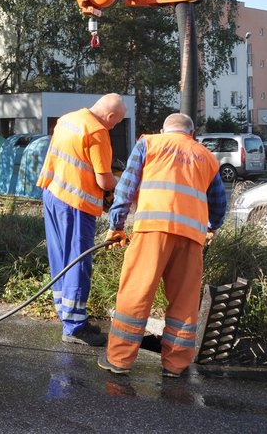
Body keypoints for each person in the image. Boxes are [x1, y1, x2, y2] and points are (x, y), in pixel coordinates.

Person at [97, 113, 227, 378]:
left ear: (163, 129)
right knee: (184, 301)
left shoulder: (149, 144)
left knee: (136, 293)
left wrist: (117, 225)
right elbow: (218, 203)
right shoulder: (206, 157)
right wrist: (213, 226)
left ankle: (119, 360)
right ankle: (175, 365)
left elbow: (126, 188)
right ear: (191, 134)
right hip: (191, 237)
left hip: (152, 231)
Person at [37, 93, 127, 346]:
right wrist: (121, 185)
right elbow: (103, 180)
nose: (114, 126)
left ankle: (66, 316)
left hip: (53, 194)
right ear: (110, 116)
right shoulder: (98, 132)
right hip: (77, 204)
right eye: (116, 122)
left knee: (61, 259)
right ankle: (75, 326)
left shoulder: (67, 119)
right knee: (78, 261)